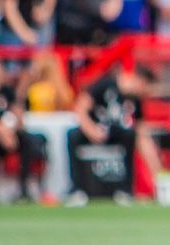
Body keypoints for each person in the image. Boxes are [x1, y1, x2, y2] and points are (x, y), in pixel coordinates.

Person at [64, 66, 160, 207]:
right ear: (141, 82)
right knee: (73, 136)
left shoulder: (135, 99)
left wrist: (157, 169)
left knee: (130, 136)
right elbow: (80, 107)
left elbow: (140, 130)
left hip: (114, 132)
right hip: (94, 127)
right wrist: (92, 130)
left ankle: (126, 190)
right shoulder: (106, 84)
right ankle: (77, 189)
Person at [0, 58, 46, 202]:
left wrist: (10, 129)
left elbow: (18, 119)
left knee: (29, 141)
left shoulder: (7, 92)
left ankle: (24, 191)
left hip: (6, 137)